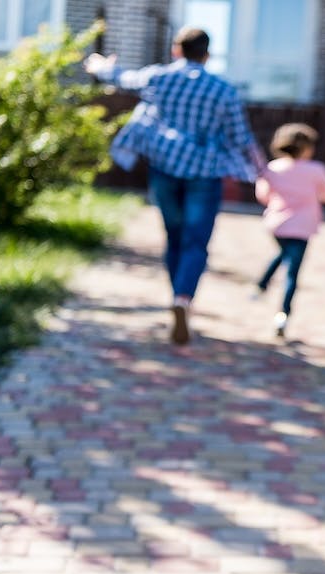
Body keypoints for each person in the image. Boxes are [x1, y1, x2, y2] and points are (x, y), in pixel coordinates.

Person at [84, 27, 265, 345]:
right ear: (207, 55)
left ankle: (176, 295)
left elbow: (122, 78)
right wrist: (265, 173)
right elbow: (240, 138)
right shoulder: (222, 89)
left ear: (175, 50)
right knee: (196, 242)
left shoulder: (158, 77)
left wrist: (100, 66)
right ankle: (183, 298)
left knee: (174, 236)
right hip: (204, 173)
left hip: (164, 168)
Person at [255, 123, 325, 337]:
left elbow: (262, 195)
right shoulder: (315, 170)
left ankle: (261, 284)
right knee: (292, 271)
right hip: (302, 226)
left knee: (284, 254)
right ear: (306, 147)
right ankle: (283, 314)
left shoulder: (272, 168)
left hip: (277, 224)